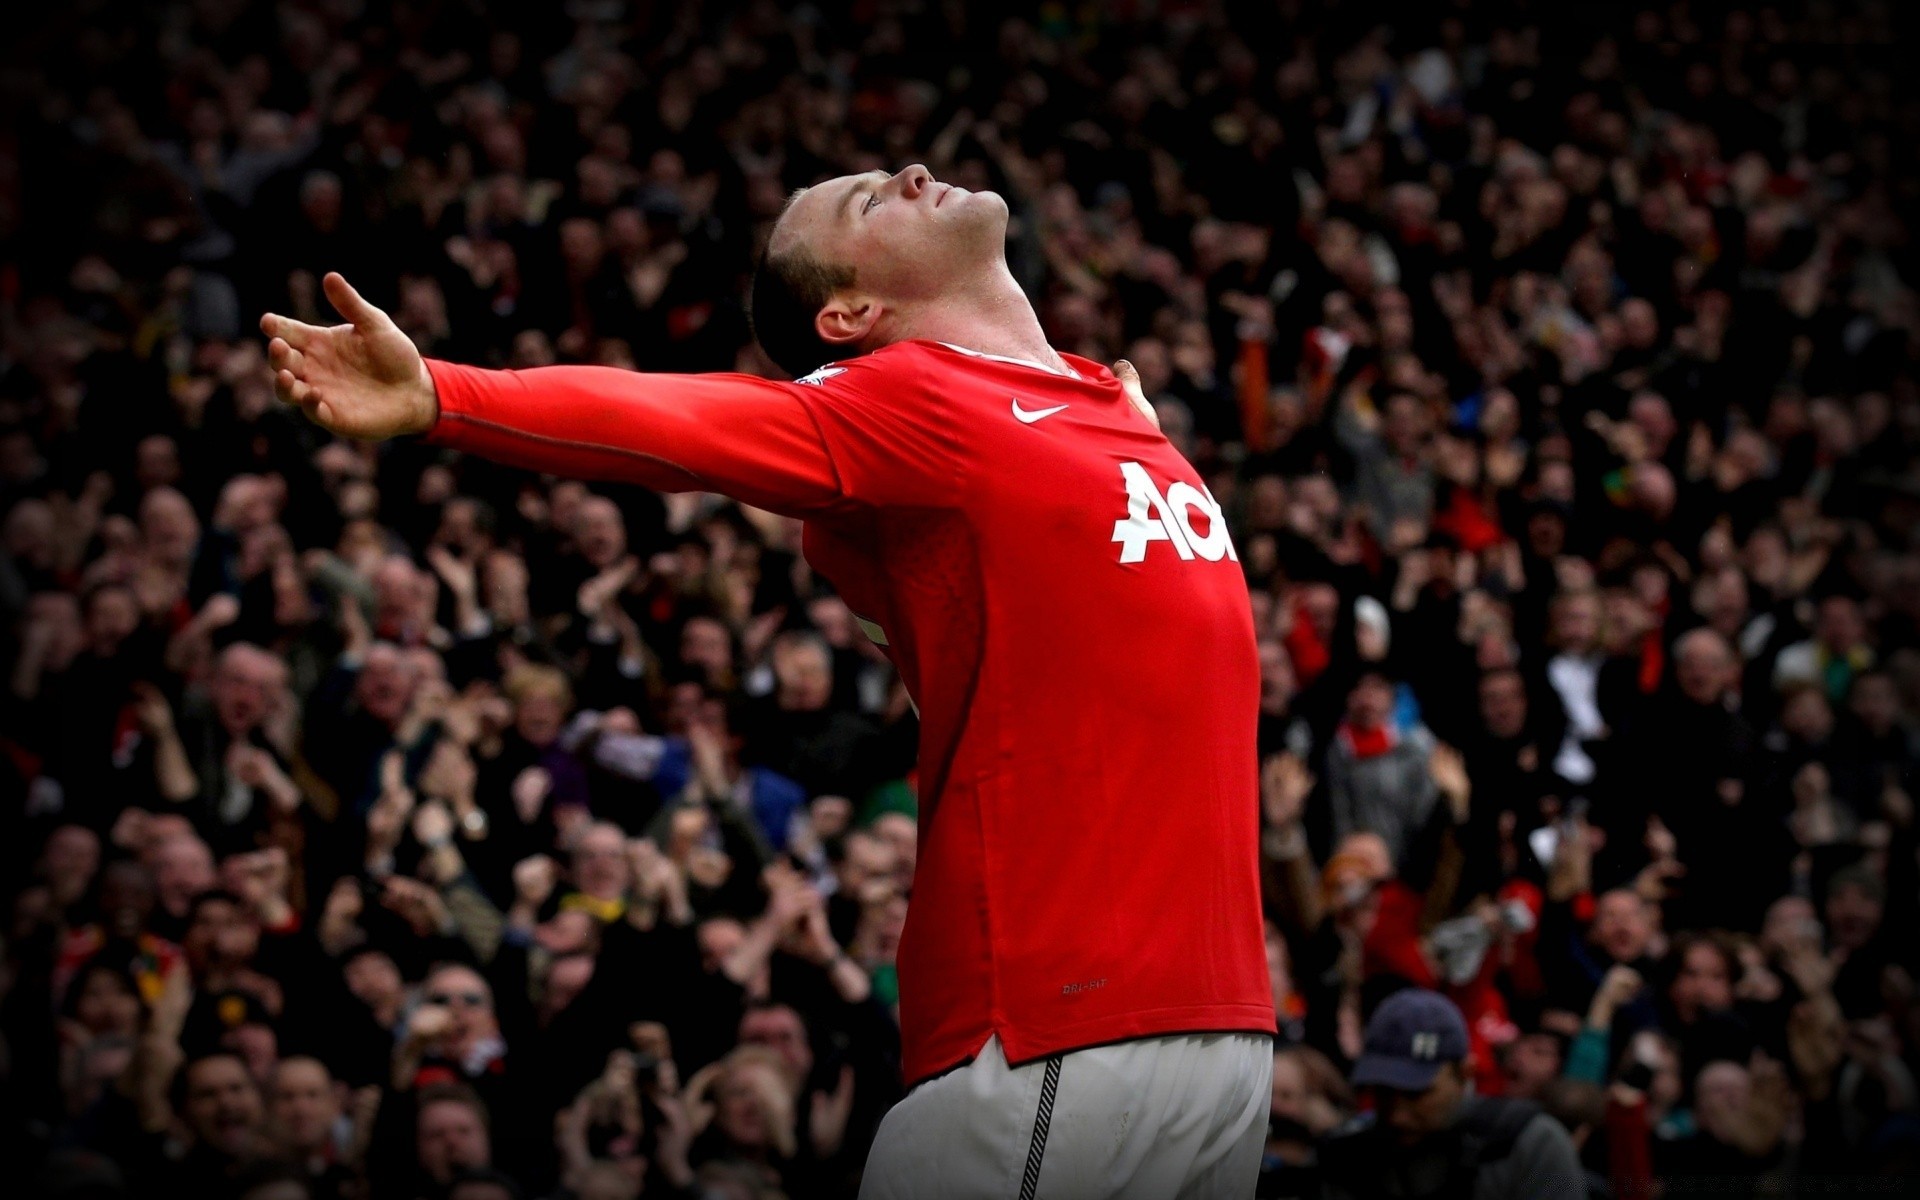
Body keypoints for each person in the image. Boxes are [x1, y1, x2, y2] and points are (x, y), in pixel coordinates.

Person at [261, 160, 1275, 1196]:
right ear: (852, 313)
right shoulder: (913, 397)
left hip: (1226, 1030)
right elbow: (677, 423)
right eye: (868, 201)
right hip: (1057, 1020)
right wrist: (444, 394)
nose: (913, 172)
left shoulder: (1106, 405)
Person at [1317, 989, 1583, 1200]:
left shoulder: (1526, 1144)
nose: (1397, 1114)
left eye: (1416, 1093)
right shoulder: (1349, 1157)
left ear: (1464, 1073)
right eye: (1384, 1092)